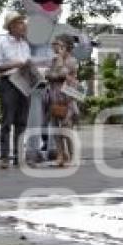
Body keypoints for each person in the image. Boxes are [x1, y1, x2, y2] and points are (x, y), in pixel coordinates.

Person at [0, 12, 32, 169]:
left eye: (24, 23)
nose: (24, 26)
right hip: (8, 82)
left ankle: (18, 156)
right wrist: (14, 64)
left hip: (24, 82)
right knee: (7, 121)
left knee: (22, 122)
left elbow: (27, 63)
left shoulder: (25, 44)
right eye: (21, 23)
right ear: (12, 25)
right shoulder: (1, 42)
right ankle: (4, 157)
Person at [45, 34, 79, 167]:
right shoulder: (53, 60)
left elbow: (62, 73)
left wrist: (58, 64)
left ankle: (71, 155)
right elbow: (48, 75)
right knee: (55, 128)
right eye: (54, 44)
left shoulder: (71, 60)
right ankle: (60, 155)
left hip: (67, 98)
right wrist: (54, 73)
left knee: (66, 127)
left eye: (57, 45)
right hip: (54, 97)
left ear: (66, 47)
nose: (54, 47)